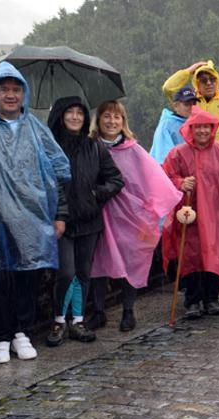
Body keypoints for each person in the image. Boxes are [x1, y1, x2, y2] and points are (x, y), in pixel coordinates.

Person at [0, 61, 71, 364]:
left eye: (15, 89)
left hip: (31, 218)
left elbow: (57, 173)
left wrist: (59, 214)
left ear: (24, 93)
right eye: (3, 89)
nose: (10, 95)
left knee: (28, 277)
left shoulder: (36, 128)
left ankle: (21, 331)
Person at [90, 100, 185, 331]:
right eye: (107, 116)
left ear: (123, 122)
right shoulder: (89, 147)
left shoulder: (132, 149)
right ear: (98, 120)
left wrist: (150, 213)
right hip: (97, 213)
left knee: (130, 261)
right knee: (97, 263)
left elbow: (153, 180)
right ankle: (98, 311)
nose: (112, 121)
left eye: (117, 117)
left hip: (128, 217)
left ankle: (128, 310)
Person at [161, 107, 219, 318]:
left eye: (207, 126)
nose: (203, 131)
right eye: (199, 127)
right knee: (192, 257)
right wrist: (180, 182)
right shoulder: (177, 153)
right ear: (190, 128)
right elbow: (164, 178)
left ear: (212, 128)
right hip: (191, 217)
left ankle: (212, 298)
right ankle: (193, 300)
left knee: (216, 255)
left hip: (218, 215)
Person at [45, 96, 124, 342]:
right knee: (65, 272)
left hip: (89, 221)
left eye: (80, 112)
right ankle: (59, 320)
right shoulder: (49, 147)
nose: (76, 117)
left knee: (82, 272)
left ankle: (77, 321)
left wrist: (95, 194)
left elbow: (115, 179)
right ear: (60, 115)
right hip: (61, 222)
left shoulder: (94, 147)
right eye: (70, 112)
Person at [162, 60, 219, 149]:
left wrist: (217, 143)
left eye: (212, 79)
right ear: (196, 83)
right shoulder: (190, 100)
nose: (209, 83)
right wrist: (189, 71)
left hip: (218, 157)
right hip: (193, 155)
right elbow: (168, 88)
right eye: (203, 80)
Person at [151, 86, 199, 164]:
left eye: (194, 104)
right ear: (175, 106)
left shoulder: (195, 123)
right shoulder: (167, 124)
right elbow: (164, 156)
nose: (191, 107)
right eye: (187, 104)